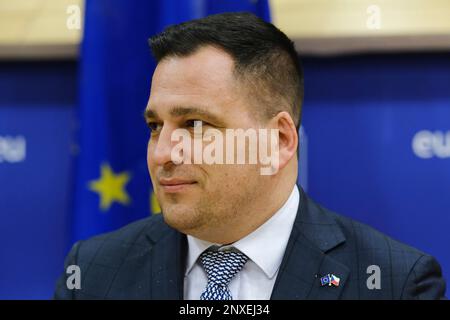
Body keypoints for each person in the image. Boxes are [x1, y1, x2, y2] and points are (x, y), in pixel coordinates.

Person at [54, 12, 446, 300]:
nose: (162, 153)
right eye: (156, 126)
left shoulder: (394, 284)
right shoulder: (91, 274)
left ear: (278, 141)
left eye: (194, 124)